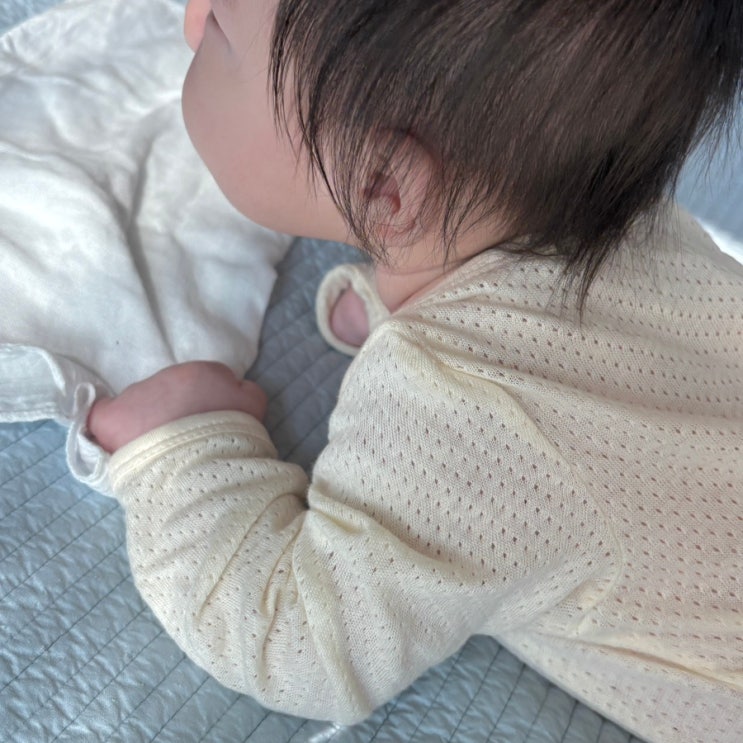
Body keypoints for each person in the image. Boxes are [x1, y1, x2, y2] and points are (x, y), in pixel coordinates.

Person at [86, 0, 743, 740]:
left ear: (382, 190)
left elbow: (297, 644)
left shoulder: (471, 414)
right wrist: (396, 305)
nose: (190, 19)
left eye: (220, 31)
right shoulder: (637, 224)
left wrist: (186, 450)